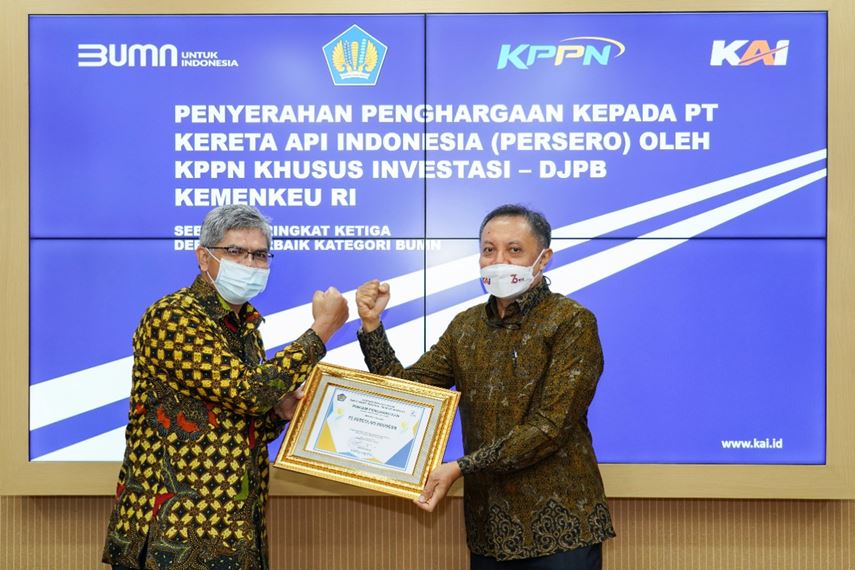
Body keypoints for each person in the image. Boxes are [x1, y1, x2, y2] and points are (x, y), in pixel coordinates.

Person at [355, 204, 615, 569]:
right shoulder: (466, 326)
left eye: (514, 250)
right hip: (488, 529)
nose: (498, 260)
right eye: (489, 250)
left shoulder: (572, 322)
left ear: (543, 258)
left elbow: (550, 427)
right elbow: (408, 392)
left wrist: (461, 466)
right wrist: (372, 325)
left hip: (561, 530)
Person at [103, 204, 348, 570]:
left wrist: (277, 413)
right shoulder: (173, 316)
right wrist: (322, 330)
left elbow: (236, 421)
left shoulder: (245, 327)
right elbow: (248, 392)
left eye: (260, 254)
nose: (249, 263)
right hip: (172, 536)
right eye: (235, 251)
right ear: (204, 257)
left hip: (233, 534)